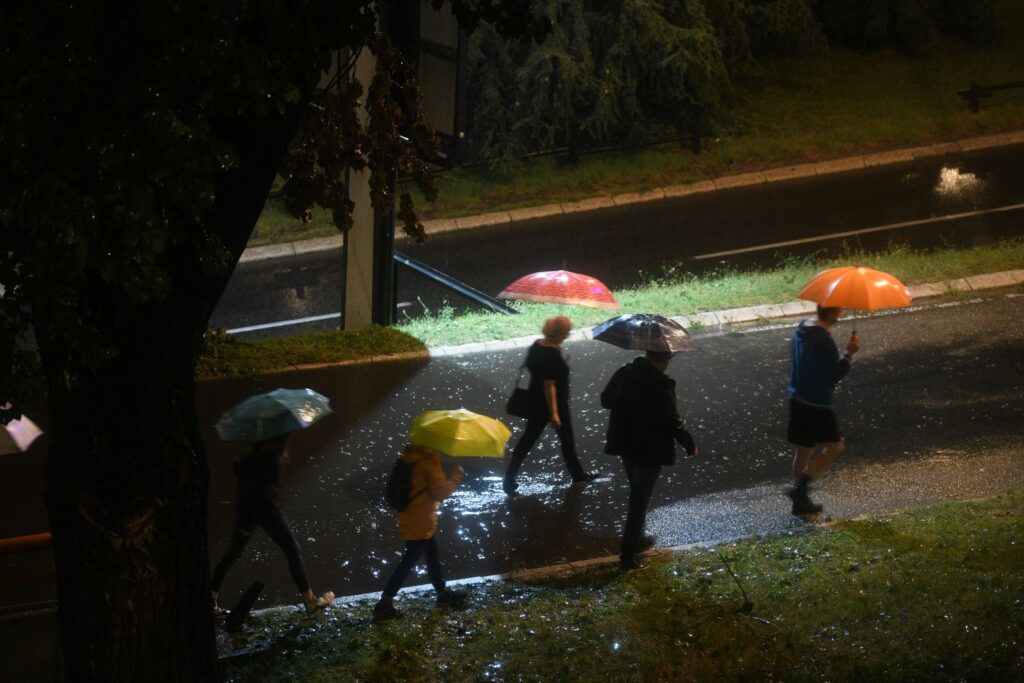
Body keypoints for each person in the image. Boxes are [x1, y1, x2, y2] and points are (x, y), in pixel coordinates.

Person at [210, 434, 334, 617]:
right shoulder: (269, 454)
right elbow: (269, 484)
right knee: (292, 549)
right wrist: (280, 459)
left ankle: (211, 599)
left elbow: (244, 480)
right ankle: (310, 602)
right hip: (266, 510)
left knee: (232, 552)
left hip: (246, 509)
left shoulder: (248, 451)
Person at [601, 350, 698, 570]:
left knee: (636, 491)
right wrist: (689, 444)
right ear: (663, 360)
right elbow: (672, 419)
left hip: (626, 443)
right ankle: (627, 556)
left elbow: (605, 400)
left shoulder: (624, 372)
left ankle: (639, 539)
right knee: (638, 502)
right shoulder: (661, 383)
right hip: (650, 448)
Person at [373, 443, 468, 621]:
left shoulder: (408, 459)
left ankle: (441, 592)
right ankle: (384, 603)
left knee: (431, 551)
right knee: (409, 560)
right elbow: (441, 492)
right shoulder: (428, 461)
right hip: (421, 518)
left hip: (411, 515)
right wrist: (456, 475)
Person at [503, 316, 595, 495]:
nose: (567, 336)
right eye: (566, 332)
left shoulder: (537, 345)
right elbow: (549, 385)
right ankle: (578, 476)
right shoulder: (551, 354)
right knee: (567, 441)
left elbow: (536, 369)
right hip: (554, 405)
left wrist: (561, 363)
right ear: (559, 333)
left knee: (528, 439)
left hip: (535, 402)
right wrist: (554, 413)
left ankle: (509, 478)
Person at [785, 305, 860, 516]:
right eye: (839, 311)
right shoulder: (824, 341)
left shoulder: (803, 327)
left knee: (804, 450)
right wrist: (848, 354)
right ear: (830, 314)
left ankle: (799, 504)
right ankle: (799, 490)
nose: (842, 314)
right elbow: (833, 375)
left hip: (798, 397)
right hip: (817, 403)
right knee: (835, 448)